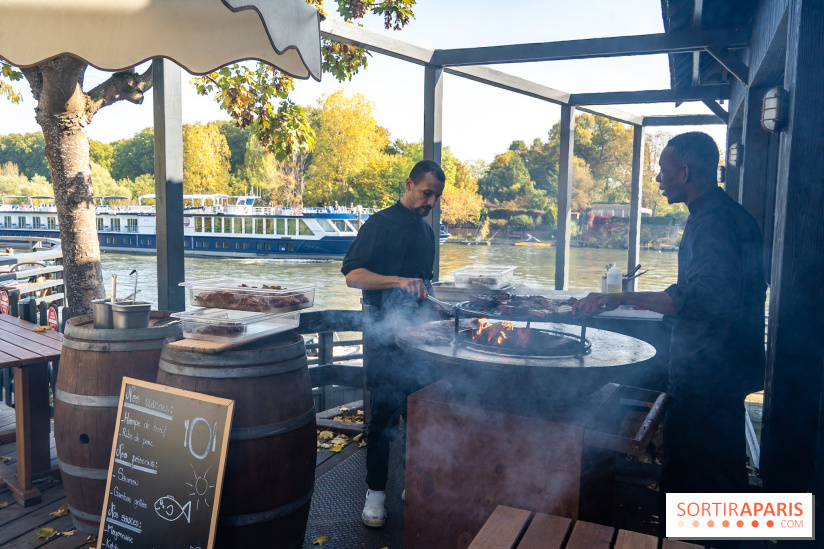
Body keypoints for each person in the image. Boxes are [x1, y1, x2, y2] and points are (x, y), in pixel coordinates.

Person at [572, 132, 766, 549]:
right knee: (721, 475)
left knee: (697, 477)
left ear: (685, 170)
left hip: (708, 374)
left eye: (663, 169)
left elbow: (706, 297)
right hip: (727, 367)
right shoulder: (728, 214)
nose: (658, 178)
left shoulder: (712, 221)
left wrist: (619, 296)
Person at [341, 159, 446, 528]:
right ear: (409, 184)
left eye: (436, 196)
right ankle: (375, 495)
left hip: (420, 339)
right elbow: (353, 276)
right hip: (383, 335)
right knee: (383, 418)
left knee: (417, 415)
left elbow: (424, 285)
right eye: (426, 193)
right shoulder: (379, 224)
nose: (431, 202)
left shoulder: (427, 233)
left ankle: (411, 483)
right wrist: (398, 281)